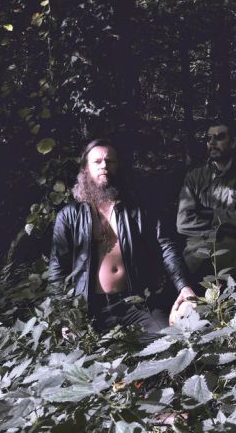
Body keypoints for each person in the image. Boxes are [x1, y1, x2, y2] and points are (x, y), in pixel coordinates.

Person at [49, 139, 197, 341]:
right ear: (85, 169)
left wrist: (184, 286)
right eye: (97, 161)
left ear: (118, 166)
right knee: (91, 356)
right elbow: (57, 269)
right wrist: (66, 316)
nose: (104, 165)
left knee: (170, 342)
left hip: (136, 304)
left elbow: (166, 247)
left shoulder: (139, 209)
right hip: (89, 309)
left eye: (110, 161)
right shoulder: (69, 216)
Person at [177, 122, 236, 285]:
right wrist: (228, 224)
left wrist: (212, 215)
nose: (212, 142)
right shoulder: (194, 178)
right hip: (197, 262)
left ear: (233, 142)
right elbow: (183, 223)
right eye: (209, 138)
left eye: (219, 137)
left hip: (235, 265)